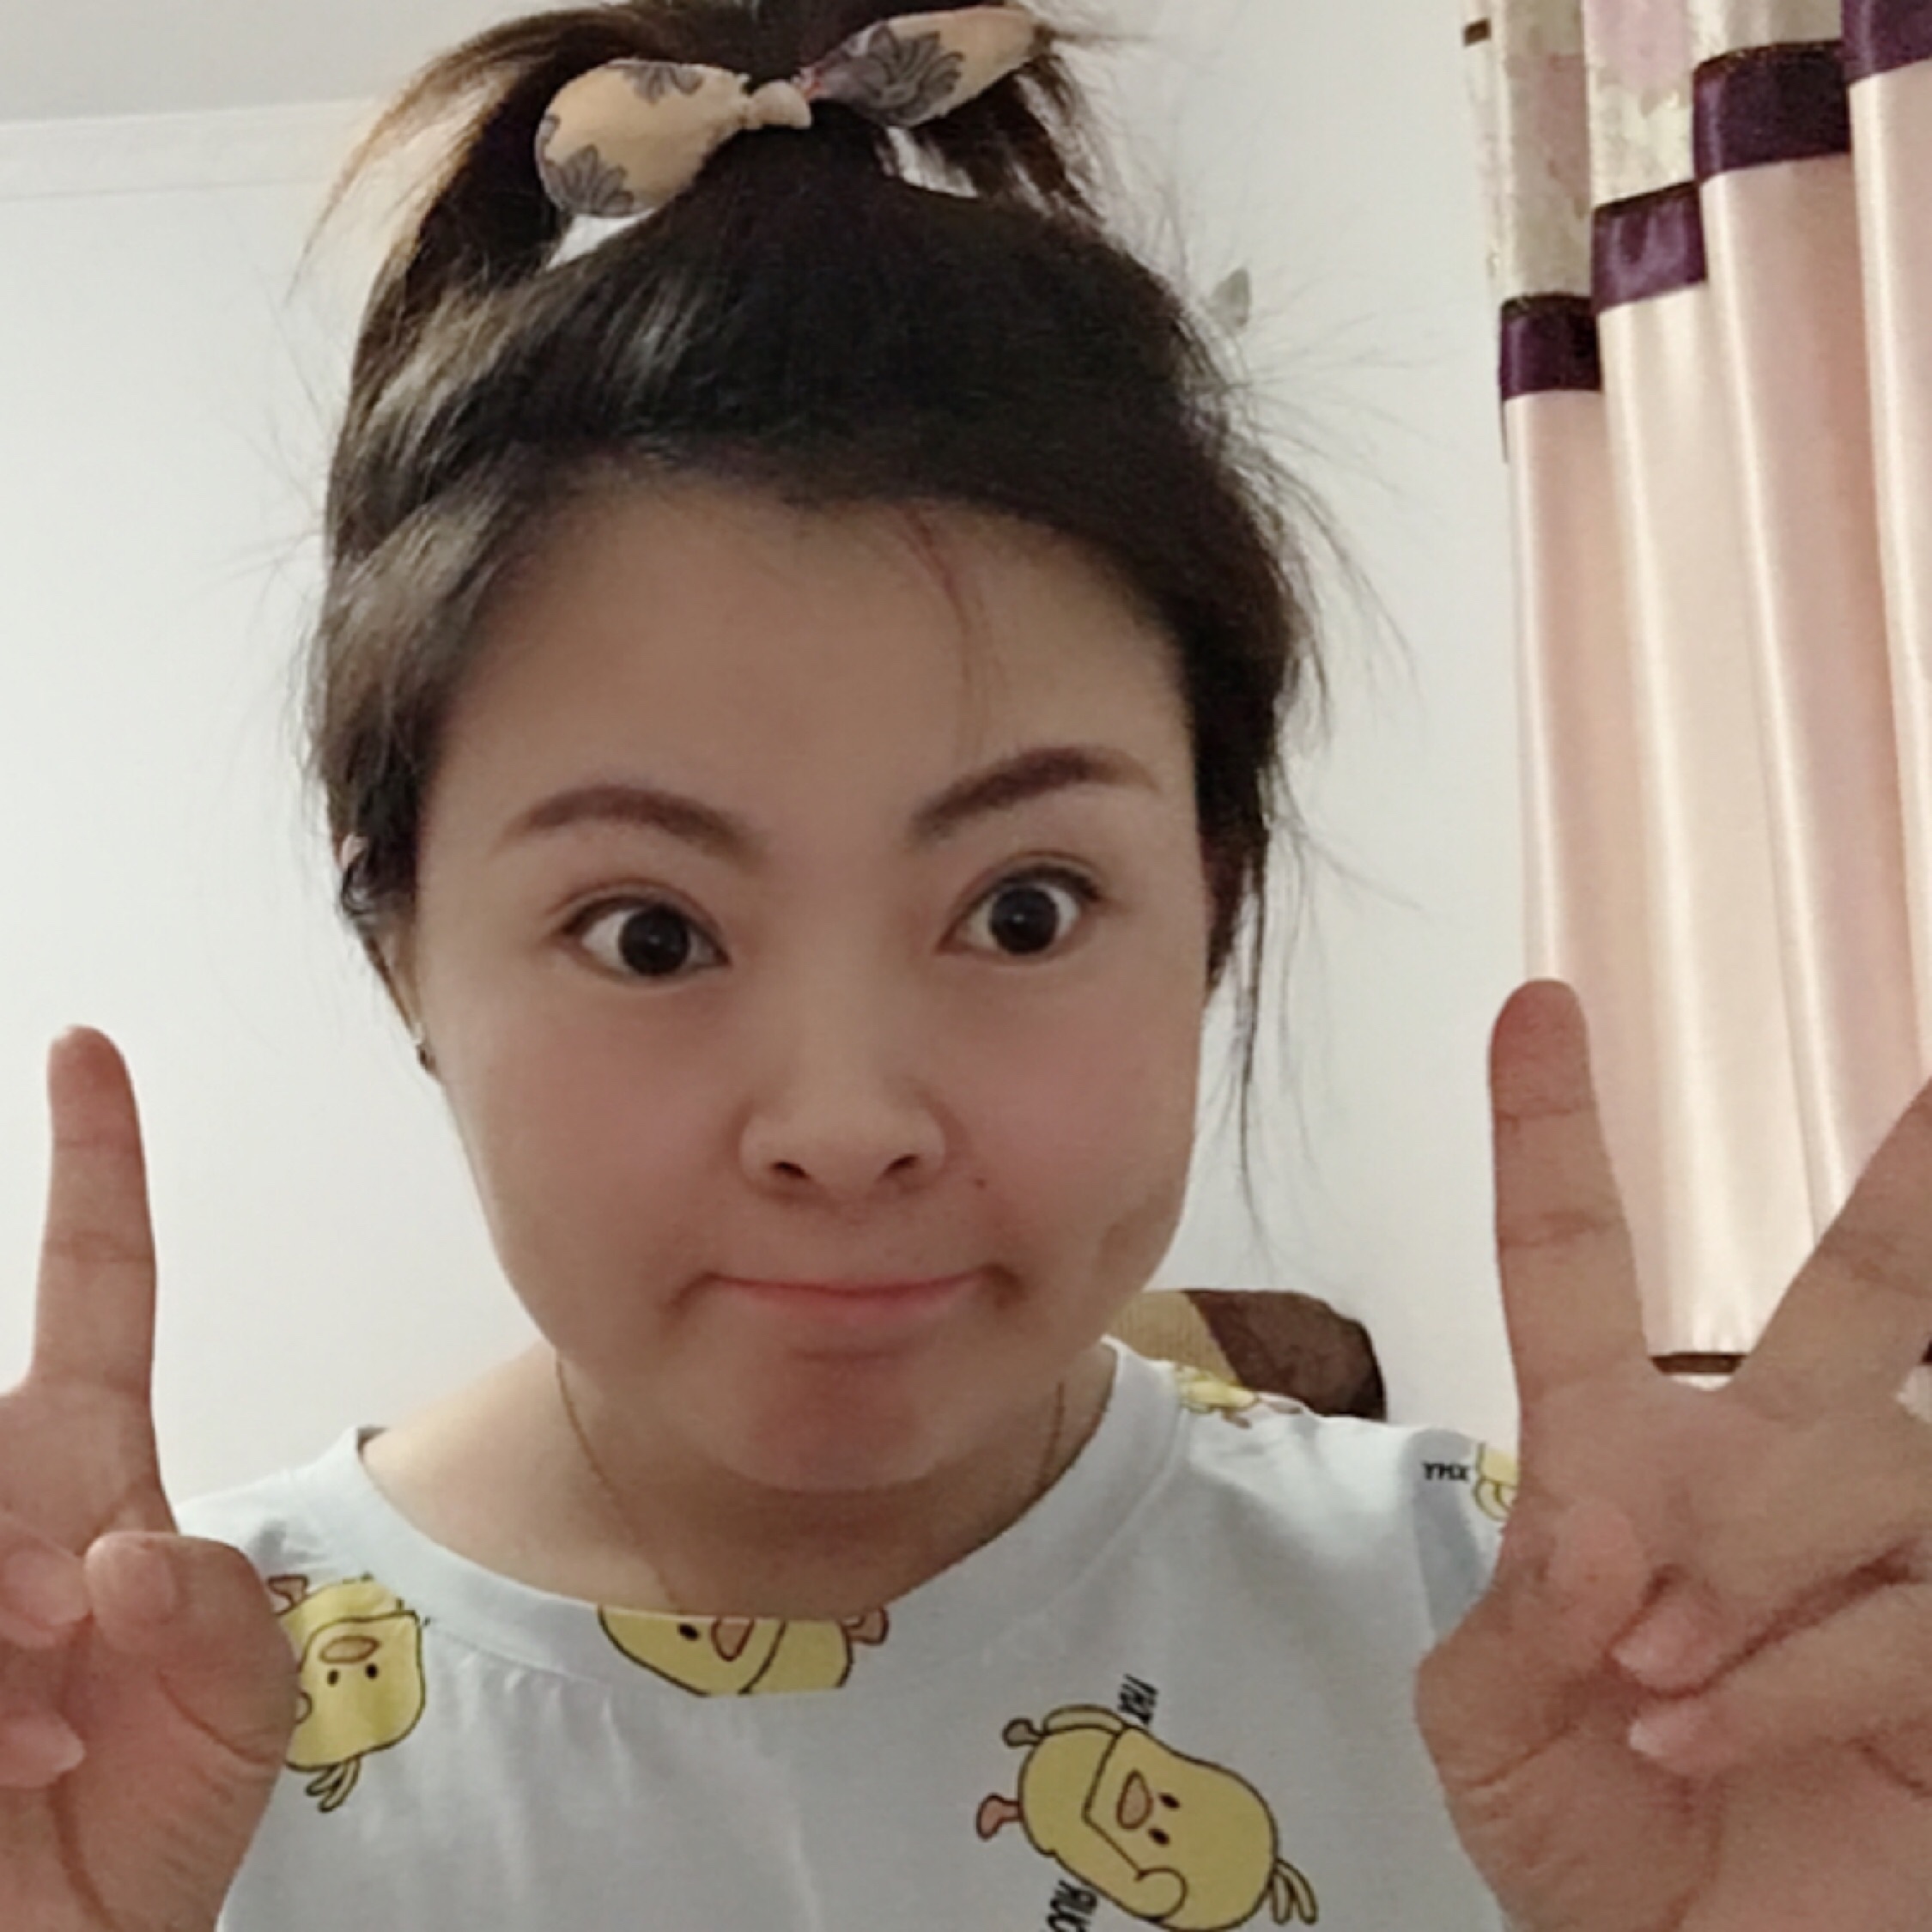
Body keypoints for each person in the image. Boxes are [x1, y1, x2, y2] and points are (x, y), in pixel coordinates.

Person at [2, 4, 1929, 1928]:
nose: (848, 1123)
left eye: (1024, 909)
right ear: (403, 951)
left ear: (1213, 902)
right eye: (650, 932)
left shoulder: (1589, 1665)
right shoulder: (123, 1733)